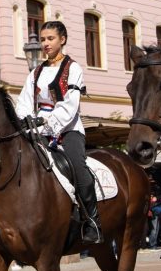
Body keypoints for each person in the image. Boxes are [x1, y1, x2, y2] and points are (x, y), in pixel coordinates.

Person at [14, 21, 102, 244]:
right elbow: (24, 102)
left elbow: (69, 106)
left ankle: (92, 220)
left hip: (68, 129)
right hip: (37, 129)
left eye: (50, 39)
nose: (45, 43)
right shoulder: (36, 72)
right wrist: (25, 120)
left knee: (78, 167)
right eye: (43, 39)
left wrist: (47, 124)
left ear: (62, 39)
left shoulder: (73, 68)